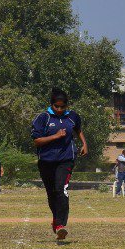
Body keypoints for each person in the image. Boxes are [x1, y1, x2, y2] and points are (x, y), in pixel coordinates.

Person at [30, 88, 86, 240]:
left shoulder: (72, 116)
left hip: (66, 159)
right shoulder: (43, 118)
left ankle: (61, 225)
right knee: (52, 193)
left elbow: (78, 129)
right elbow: (37, 141)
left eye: (63, 107)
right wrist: (55, 136)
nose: (60, 109)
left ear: (67, 105)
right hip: (46, 161)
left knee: (61, 190)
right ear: (52, 105)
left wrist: (84, 144)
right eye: (57, 107)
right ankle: (56, 220)